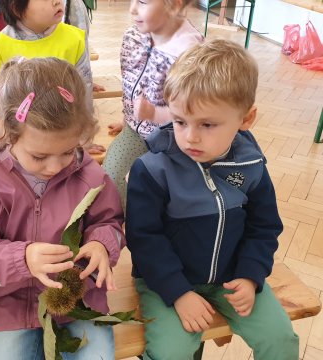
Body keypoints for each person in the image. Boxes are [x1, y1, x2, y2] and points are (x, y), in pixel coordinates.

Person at [126, 39, 299, 360]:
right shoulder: (151, 169)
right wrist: (178, 292)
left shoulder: (252, 166)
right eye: (179, 121)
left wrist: (250, 276)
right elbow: (144, 239)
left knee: (281, 340)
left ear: (246, 120)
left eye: (207, 124)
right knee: (172, 351)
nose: (190, 136)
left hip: (233, 280)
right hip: (166, 283)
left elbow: (265, 227)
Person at [0, 57, 125, 360]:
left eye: (68, 152)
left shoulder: (92, 177)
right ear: (8, 133)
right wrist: (22, 258)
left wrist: (101, 244)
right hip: (7, 302)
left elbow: (108, 220)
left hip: (78, 298)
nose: (55, 166)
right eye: (39, 155)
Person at [102, 0, 203, 208]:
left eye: (143, 1)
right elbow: (131, 85)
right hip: (135, 130)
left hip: (172, 141)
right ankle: (120, 225)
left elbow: (193, 115)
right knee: (109, 177)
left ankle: (145, 226)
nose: (132, 9)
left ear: (174, 5)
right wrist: (127, 118)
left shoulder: (188, 53)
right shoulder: (134, 36)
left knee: (152, 191)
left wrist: (154, 114)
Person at [0, 0, 104, 154]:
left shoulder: (74, 39)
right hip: (17, 143)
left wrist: (84, 137)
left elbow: (84, 89)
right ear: (16, 8)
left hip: (64, 137)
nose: (58, 2)